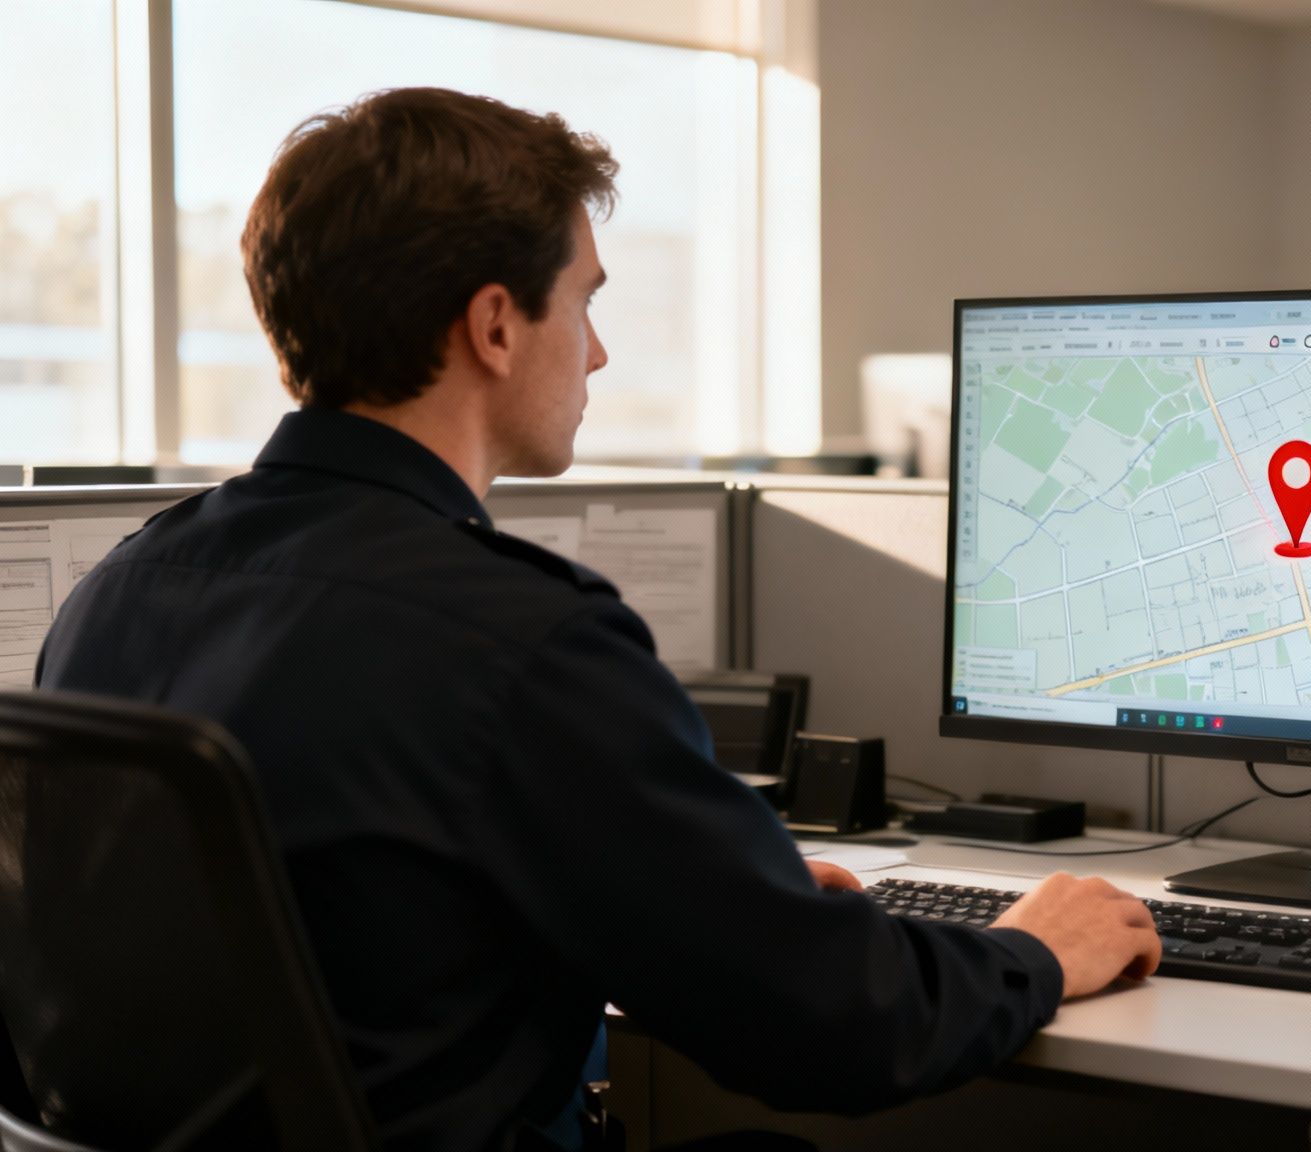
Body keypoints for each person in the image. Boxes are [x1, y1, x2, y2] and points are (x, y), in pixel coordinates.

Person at [36, 87, 1160, 1152]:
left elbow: (359, 929)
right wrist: (1031, 952)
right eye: (585, 299)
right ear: (495, 326)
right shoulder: (518, 639)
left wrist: (721, 904)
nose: (600, 349)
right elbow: (840, 1030)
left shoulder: (117, 591)